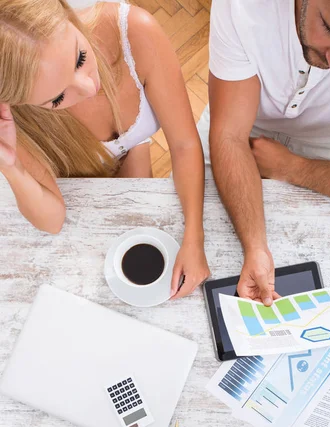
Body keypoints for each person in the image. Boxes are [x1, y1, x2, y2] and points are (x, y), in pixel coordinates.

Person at [0, 0, 210, 299]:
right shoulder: (16, 118)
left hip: (133, 149)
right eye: (57, 98)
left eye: (80, 58)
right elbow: (53, 219)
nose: (89, 88)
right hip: (81, 183)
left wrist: (194, 238)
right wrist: (10, 166)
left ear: (68, 13)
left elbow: (184, 144)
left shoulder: (135, 30)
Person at [199, 0, 330, 306]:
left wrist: (296, 168)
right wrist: (255, 246)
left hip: (324, 148)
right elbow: (229, 135)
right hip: (236, 121)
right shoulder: (245, 6)